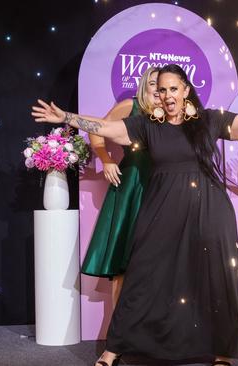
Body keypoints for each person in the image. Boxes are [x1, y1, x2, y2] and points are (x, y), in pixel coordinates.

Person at [31, 64, 238, 366]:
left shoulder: (209, 120)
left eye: (173, 89)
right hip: (162, 205)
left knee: (216, 276)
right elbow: (107, 128)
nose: (167, 95)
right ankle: (113, 350)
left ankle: (221, 353)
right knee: (141, 273)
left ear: (186, 90)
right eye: (161, 90)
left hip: (209, 208)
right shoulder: (147, 126)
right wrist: (67, 118)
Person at [81, 66, 160, 307]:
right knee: (123, 259)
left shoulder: (170, 113)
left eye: (163, 84)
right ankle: (117, 332)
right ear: (144, 85)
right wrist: (106, 160)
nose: (158, 89)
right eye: (154, 83)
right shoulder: (130, 106)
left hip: (159, 185)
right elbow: (96, 131)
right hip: (133, 185)